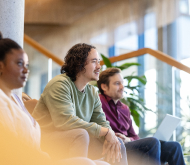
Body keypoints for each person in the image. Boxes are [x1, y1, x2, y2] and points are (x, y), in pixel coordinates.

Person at [0, 33, 109, 165]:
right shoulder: (3, 105)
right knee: (86, 155)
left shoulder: (14, 100)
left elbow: (101, 121)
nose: (25, 70)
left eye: (27, 65)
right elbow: (13, 149)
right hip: (37, 156)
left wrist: (110, 134)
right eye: (19, 63)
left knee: (108, 155)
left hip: (41, 155)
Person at [32, 43, 128, 165]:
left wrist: (111, 135)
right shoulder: (59, 85)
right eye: (94, 61)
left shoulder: (92, 91)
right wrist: (106, 132)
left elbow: (101, 121)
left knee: (117, 143)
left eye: (99, 61)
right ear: (79, 64)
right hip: (45, 140)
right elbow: (65, 121)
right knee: (81, 134)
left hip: (78, 138)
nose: (99, 66)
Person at [97, 67, 186, 165]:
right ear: (104, 87)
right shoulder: (98, 103)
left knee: (174, 146)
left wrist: (128, 139)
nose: (122, 87)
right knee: (152, 142)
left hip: (128, 145)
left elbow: (134, 136)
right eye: (117, 83)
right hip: (116, 148)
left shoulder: (124, 109)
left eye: (122, 82)